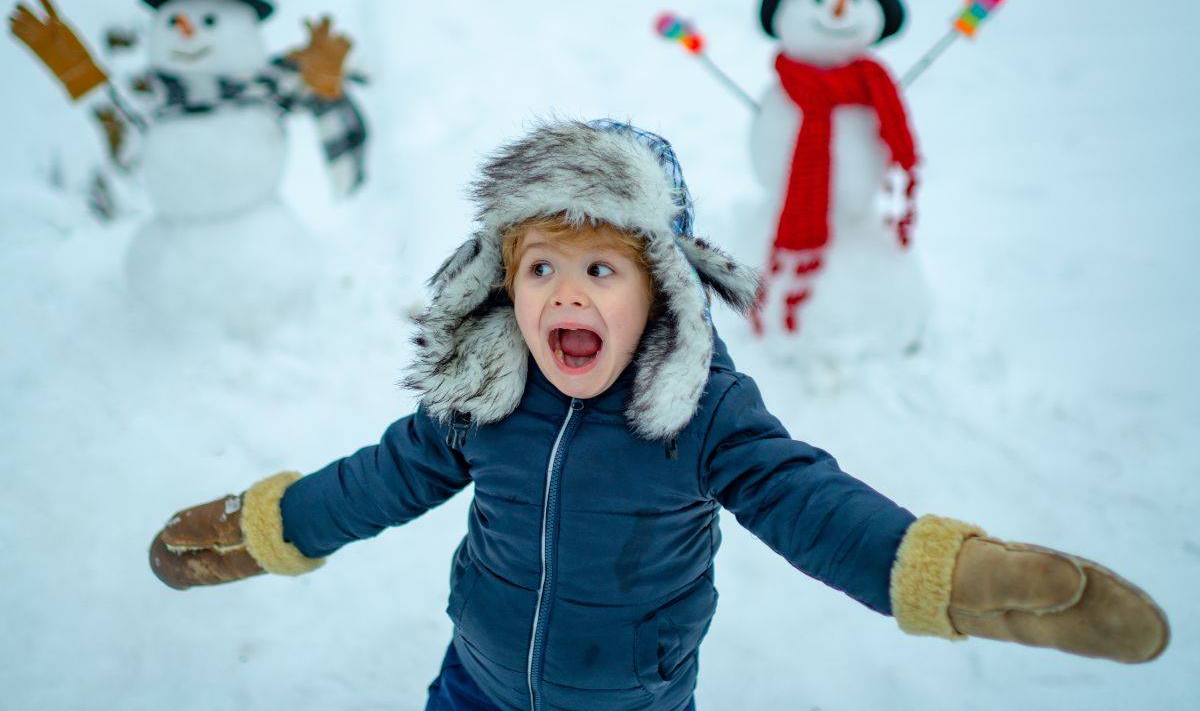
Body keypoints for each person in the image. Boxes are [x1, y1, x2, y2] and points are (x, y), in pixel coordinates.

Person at [148, 120, 1168, 711]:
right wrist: (259, 528)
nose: (567, 294)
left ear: (664, 287)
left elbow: (809, 501)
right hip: (476, 683)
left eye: (602, 267)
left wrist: (948, 575)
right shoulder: (489, 396)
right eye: (540, 267)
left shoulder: (703, 414)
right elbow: (376, 479)